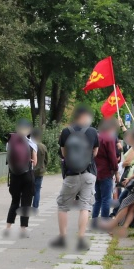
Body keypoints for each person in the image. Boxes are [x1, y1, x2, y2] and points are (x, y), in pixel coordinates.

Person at [52, 105, 99, 250]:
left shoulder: (66, 131)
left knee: (63, 206)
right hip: (89, 173)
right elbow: (95, 153)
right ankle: (81, 240)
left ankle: (62, 239)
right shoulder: (92, 131)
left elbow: (64, 154)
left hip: (71, 174)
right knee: (85, 206)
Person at [5, 119, 37, 237]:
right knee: (26, 203)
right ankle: (23, 229)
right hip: (27, 175)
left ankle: (8, 227)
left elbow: (9, 159)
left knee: (15, 201)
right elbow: (35, 162)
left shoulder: (10, 141)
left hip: (14, 175)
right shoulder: (31, 142)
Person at [92, 119, 120, 221]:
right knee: (106, 199)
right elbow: (112, 157)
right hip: (106, 172)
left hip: (95, 171)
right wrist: (116, 172)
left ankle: (94, 221)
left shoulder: (96, 137)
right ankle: (104, 222)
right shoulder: (109, 139)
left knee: (97, 199)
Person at [31, 128, 48, 209]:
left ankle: (27, 204)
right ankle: (35, 206)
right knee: (37, 190)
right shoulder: (43, 146)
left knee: (29, 189)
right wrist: (44, 166)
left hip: (31, 171)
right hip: (40, 170)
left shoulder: (30, 145)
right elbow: (46, 159)